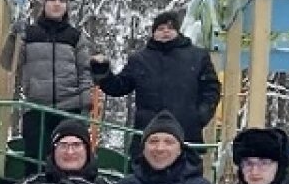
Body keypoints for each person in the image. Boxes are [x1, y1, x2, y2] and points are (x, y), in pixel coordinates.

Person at [90, 10, 221, 157]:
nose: (165, 31)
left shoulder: (198, 57)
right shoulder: (140, 60)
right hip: (147, 134)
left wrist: (200, 116)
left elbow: (211, 88)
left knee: (186, 178)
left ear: (178, 31)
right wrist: (102, 71)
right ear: (153, 33)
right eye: (160, 28)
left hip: (186, 134)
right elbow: (119, 86)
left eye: (170, 28)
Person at [1, 0, 94, 174]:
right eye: (52, 0)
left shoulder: (75, 37)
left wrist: (85, 105)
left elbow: (85, 71)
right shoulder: (30, 34)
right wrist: (13, 36)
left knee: (69, 159)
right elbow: (8, 63)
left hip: (69, 107)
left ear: (67, 7)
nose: (57, 4)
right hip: (37, 106)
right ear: (44, 5)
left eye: (62, 1)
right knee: (35, 159)